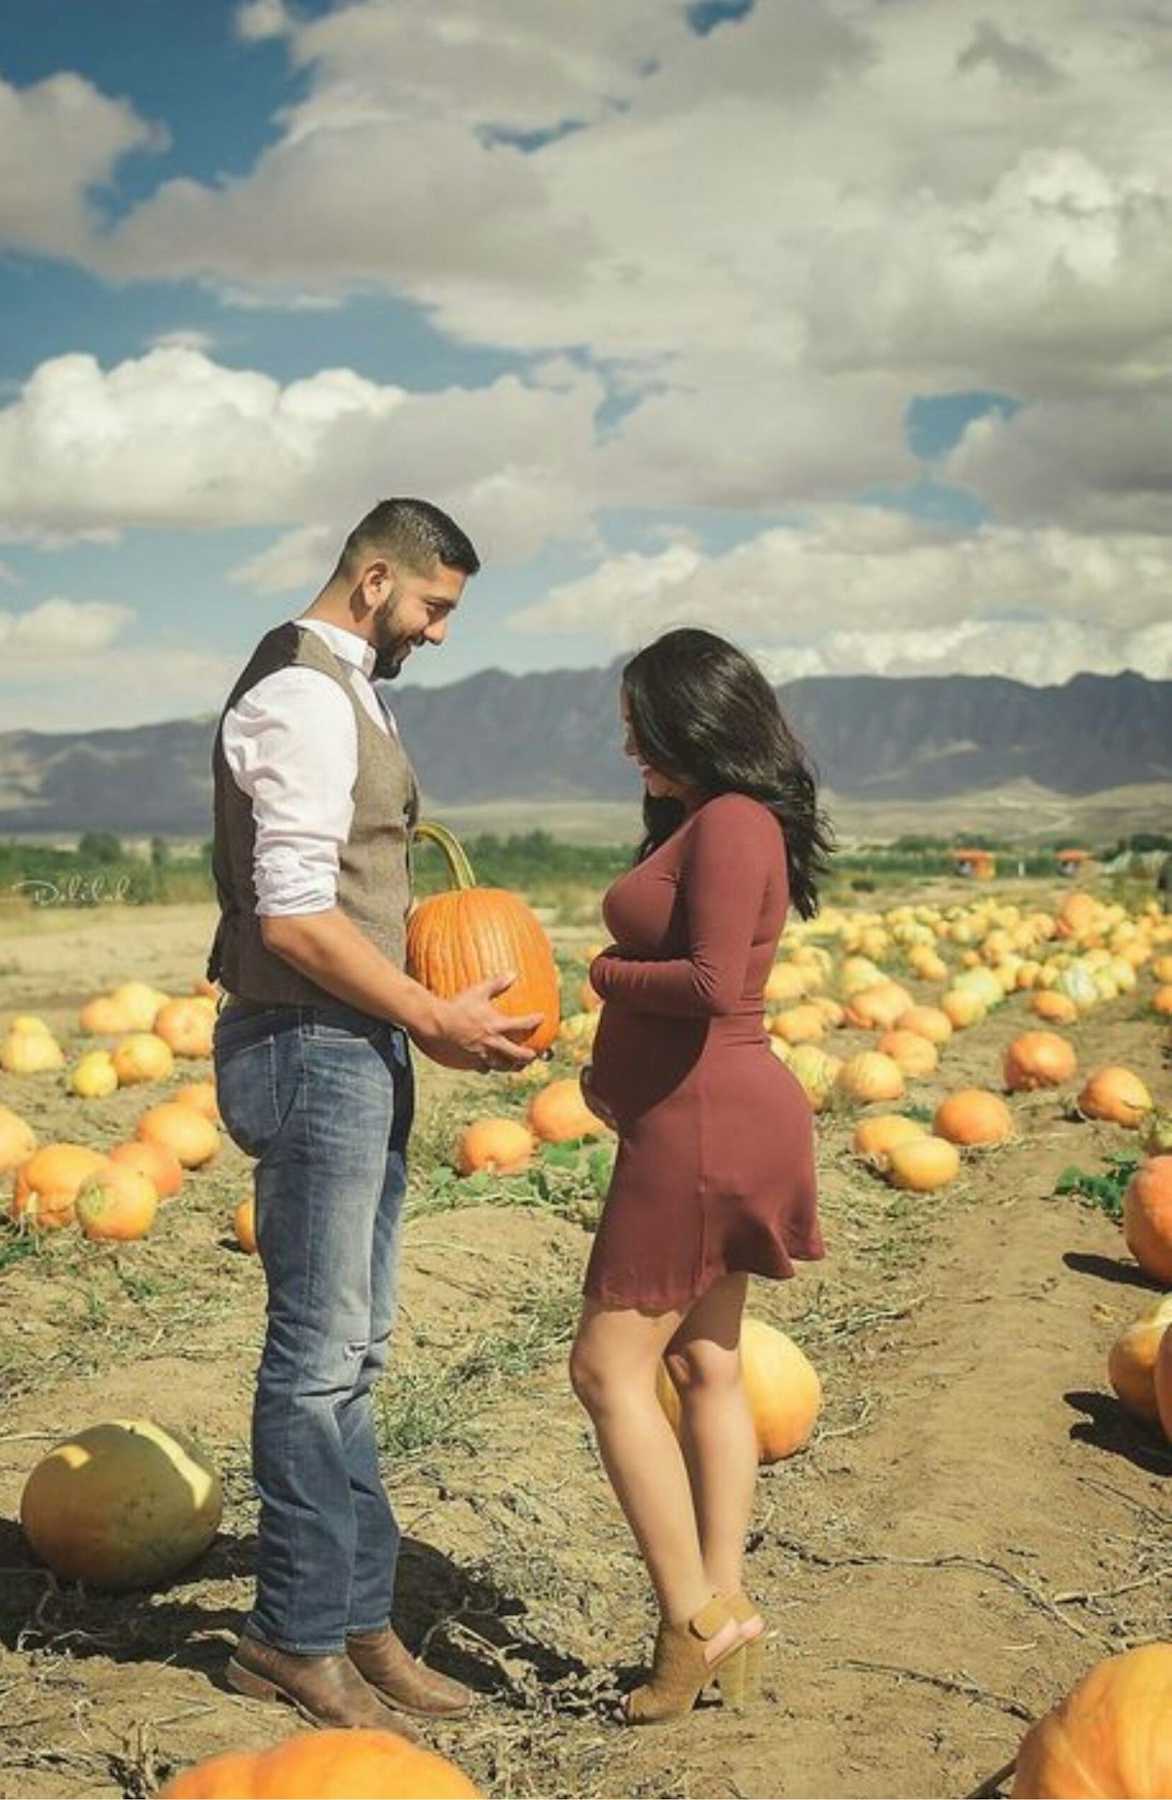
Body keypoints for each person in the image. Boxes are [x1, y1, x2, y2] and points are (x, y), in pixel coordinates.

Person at [207, 497, 541, 1737]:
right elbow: (295, 919)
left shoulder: (346, 681)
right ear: (375, 579)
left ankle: (355, 1623)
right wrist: (435, 1016)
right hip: (309, 1043)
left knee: (353, 1354)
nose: (442, 632)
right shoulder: (301, 693)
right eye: (435, 607)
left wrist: (415, 1017)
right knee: (314, 1361)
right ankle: (290, 1640)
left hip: (351, 1041)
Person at [570, 626, 831, 1726]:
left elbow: (715, 982)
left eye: (642, 718)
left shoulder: (727, 822)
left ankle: (692, 1619)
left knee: (605, 1371)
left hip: (707, 1126)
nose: (628, 740)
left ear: (698, 718)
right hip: (712, 1114)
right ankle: (726, 1603)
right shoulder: (724, 821)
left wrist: (601, 975)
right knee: (708, 1366)